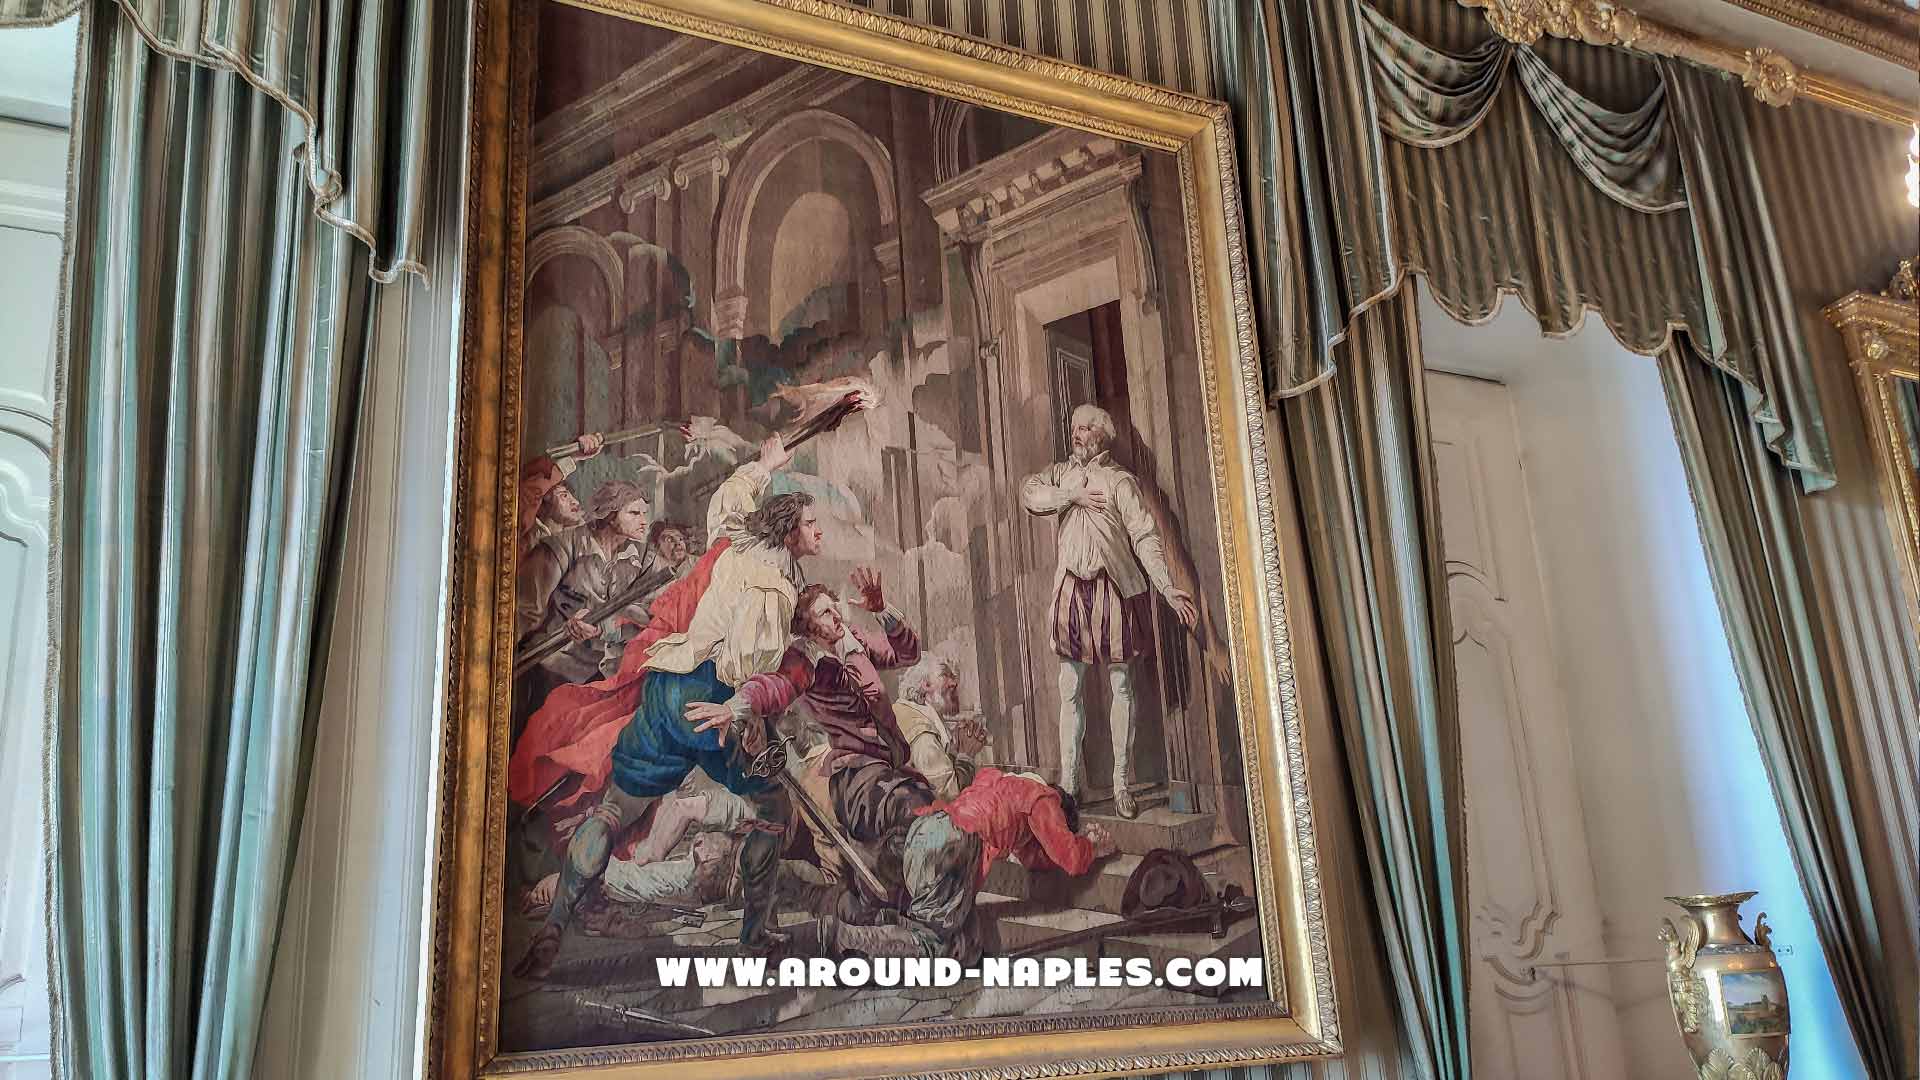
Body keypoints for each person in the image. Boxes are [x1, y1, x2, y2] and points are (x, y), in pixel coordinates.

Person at [515, 431, 836, 979]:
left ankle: (555, 926)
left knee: (616, 807)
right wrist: (746, 709)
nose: (818, 531)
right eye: (810, 523)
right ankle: (755, 935)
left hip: (666, 686)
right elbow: (746, 665)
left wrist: (763, 466)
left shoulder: (739, 540)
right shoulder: (776, 591)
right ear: (789, 531)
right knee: (773, 811)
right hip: (710, 699)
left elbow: (728, 501)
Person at [1020, 403, 1197, 818]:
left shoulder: (1120, 481)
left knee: (1121, 687)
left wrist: (1167, 588)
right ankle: (1069, 786)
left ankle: (1120, 785)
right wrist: (1072, 495)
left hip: (1113, 588)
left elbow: (1145, 537)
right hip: (1071, 590)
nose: (1076, 434)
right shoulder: (1061, 475)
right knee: (1069, 689)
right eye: (1074, 427)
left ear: (1102, 435)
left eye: (1085, 428)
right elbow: (1029, 493)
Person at [722, 575, 927, 910]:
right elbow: (777, 687)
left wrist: (882, 611)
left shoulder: (853, 640)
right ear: (809, 627)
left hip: (889, 762)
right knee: (903, 812)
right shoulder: (806, 659)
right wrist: (738, 706)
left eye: (834, 608)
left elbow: (908, 654)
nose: (836, 615)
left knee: (920, 818)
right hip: (854, 769)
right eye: (825, 612)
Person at [817, 767, 1116, 962]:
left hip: (925, 830)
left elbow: (1031, 857)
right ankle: (851, 938)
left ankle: (872, 921)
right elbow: (1071, 859)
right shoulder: (1042, 799)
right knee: (936, 946)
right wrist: (1093, 845)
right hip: (955, 845)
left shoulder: (996, 780)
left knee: (958, 938)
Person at [893, 657, 992, 801]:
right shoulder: (922, 732)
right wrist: (966, 755)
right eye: (945, 674)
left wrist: (956, 749)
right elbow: (949, 795)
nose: (954, 683)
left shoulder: (904, 711)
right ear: (926, 685)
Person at [517, 432, 605, 561]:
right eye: (564, 496)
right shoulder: (525, 534)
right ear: (543, 500)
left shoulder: (572, 543)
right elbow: (532, 492)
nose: (576, 502)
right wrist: (573, 457)